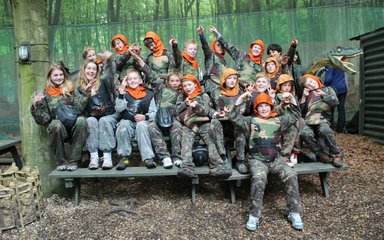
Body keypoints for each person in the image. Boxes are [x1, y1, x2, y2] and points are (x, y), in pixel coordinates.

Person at [228, 91, 304, 231]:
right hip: (257, 160)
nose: (264, 108)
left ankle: (294, 212)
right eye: (261, 106)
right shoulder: (250, 121)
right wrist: (240, 99)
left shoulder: (279, 120)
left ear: (271, 106)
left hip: (277, 159)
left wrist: (293, 99)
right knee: (258, 178)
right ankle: (254, 215)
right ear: (256, 108)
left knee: (291, 175)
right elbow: (233, 117)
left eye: (266, 105)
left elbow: (295, 115)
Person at [30, 62, 88, 171]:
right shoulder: (45, 94)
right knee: (54, 124)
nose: (59, 77)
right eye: (55, 75)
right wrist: (35, 106)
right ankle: (61, 161)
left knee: (82, 120)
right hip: (59, 130)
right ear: (50, 77)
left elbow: (80, 108)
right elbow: (44, 120)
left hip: (74, 127)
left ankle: (73, 161)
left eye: (61, 75)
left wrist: (86, 94)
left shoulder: (71, 89)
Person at [175, 74, 231, 178]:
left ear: (195, 85)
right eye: (184, 85)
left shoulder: (203, 95)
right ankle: (187, 167)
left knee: (210, 140)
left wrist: (197, 106)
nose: (187, 87)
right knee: (186, 139)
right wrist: (185, 104)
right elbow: (176, 112)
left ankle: (217, 166)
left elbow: (207, 110)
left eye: (189, 85)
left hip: (203, 123)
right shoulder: (181, 97)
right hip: (189, 125)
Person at [76, 50, 115, 170]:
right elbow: (79, 108)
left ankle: (107, 156)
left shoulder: (103, 81)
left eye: (94, 69)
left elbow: (110, 74)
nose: (91, 71)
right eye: (89, 68)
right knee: (91, 121)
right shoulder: (79, 88)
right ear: (84, 70)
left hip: (108, 115)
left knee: (103, 120)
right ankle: (94, 156)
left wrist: (109, 61)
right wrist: (86, 93)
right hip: (91, 116)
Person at [113, 69, 157, 169]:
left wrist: (145, 117)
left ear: (140, 80)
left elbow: (154, 112)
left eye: (135, 78)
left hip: (143, 122)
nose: (132, 81)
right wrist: (121, 92)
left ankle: (148, 158)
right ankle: (124, 157)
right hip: (128, 121)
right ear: (126, 82)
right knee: (123, 125)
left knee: (141, 125)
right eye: (129, 79)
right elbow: (119, 109)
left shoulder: (149, 94)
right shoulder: (124, 94)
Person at [300, 74, 344, 167]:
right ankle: (320, 153)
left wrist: (323, 95)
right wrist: (304, 96)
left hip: (323, 119)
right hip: (309, 121)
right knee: (304, 133)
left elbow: (335, 102)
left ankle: (336, 154)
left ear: (315, 79)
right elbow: (301, 111)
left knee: (325, 130)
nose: (311, 85)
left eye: (311, 81)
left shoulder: (327, 89)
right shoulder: (308, 94)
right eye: (308, 85)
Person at [210, 68, 248, 173]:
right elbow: (210, 108)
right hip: (221, 124)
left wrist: (229, 113)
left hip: (234, 124)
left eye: (234, 78)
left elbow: (241, 110)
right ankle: (223, 158)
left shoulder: (241, 93)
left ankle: (240, 161)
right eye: (229, 78)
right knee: (214, 123)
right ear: (224, 80)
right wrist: (217, 113)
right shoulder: (215, 92)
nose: (232, 81)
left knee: (241, 127)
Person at [275, 74, 305, 166]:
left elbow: (298, 112)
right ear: (280, 86)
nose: (287, 88)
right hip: (282, 120)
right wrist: (282, 104)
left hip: (294, 119)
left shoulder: (294, 97)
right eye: (284, 85)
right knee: (292, 127)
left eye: (289, 85)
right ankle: (286, 154)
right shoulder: (277, 96)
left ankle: (295, 151)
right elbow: (274, 111)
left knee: (301, 122)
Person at [197, 25, 227, 96]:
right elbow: (205, 47)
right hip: (211, 87)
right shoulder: (210, 54)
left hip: (221, 87)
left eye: (222, 46)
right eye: (218, 45)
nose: (221, 47)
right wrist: (201, 35)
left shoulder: (223, 60)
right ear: (214, 45)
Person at [324, 66, 348, 133]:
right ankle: (340, 128)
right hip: (343, 88)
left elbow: (328, 79)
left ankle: (331, 127)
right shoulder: (340, 64)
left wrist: (324, 85)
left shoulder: (330, 65)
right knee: (341, 109)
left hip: (333, 89)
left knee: (331, 109)